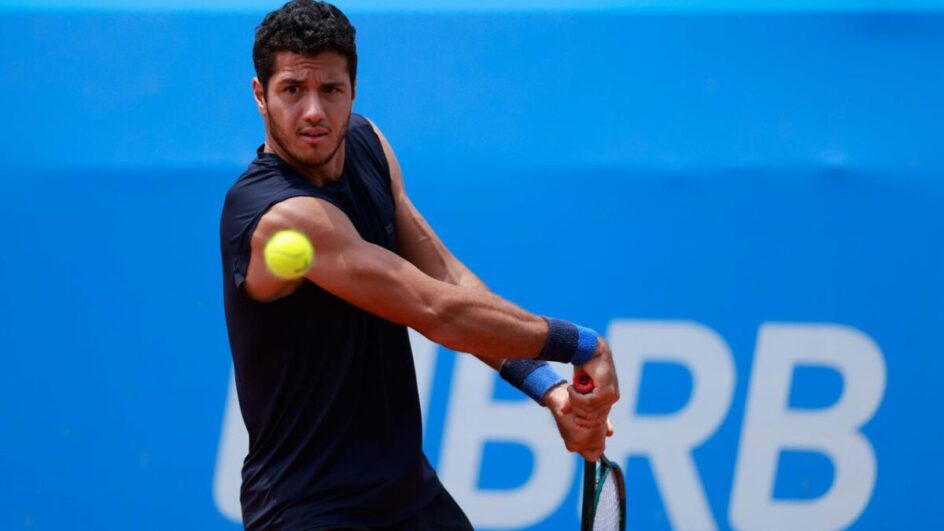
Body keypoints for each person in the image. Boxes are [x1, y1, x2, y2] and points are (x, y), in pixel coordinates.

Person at [219, 1, 619, 529]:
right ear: (260, 96)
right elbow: (435, 311)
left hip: (405, 493)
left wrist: (548, 387)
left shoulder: (368, 145)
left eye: (331, 90)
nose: (314, 111)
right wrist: (581, 344)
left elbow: (446, 278)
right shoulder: (280, 216)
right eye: (293, 90)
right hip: (309, 506)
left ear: (353, 91)